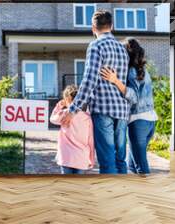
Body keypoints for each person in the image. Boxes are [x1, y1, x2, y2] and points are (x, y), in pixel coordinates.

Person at [61, 10, 130, 174]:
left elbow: (89, 80)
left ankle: (109, 197)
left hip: (103, 109)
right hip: (122, 110)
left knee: (107, 161)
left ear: (93, 28)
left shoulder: (96, 45)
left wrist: (73, 109)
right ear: (111, 26)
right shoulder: (123, 49)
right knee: (120, 161)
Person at [100, 38, 157, 174]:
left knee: (141, 168)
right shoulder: (143, 70)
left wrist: (115, 81)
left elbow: (134, 97)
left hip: (138, 123)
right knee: (132, 166)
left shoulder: (131, 71)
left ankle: (147, 194)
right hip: (150, 121)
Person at [50, 85, 95, 174]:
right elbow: (91, 141)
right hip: (82, 157)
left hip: (66, 156)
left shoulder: (63, 114)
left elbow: (52, 119)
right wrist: (91, 159)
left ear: (66, 99)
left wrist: (58, 107)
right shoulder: (87, 117)